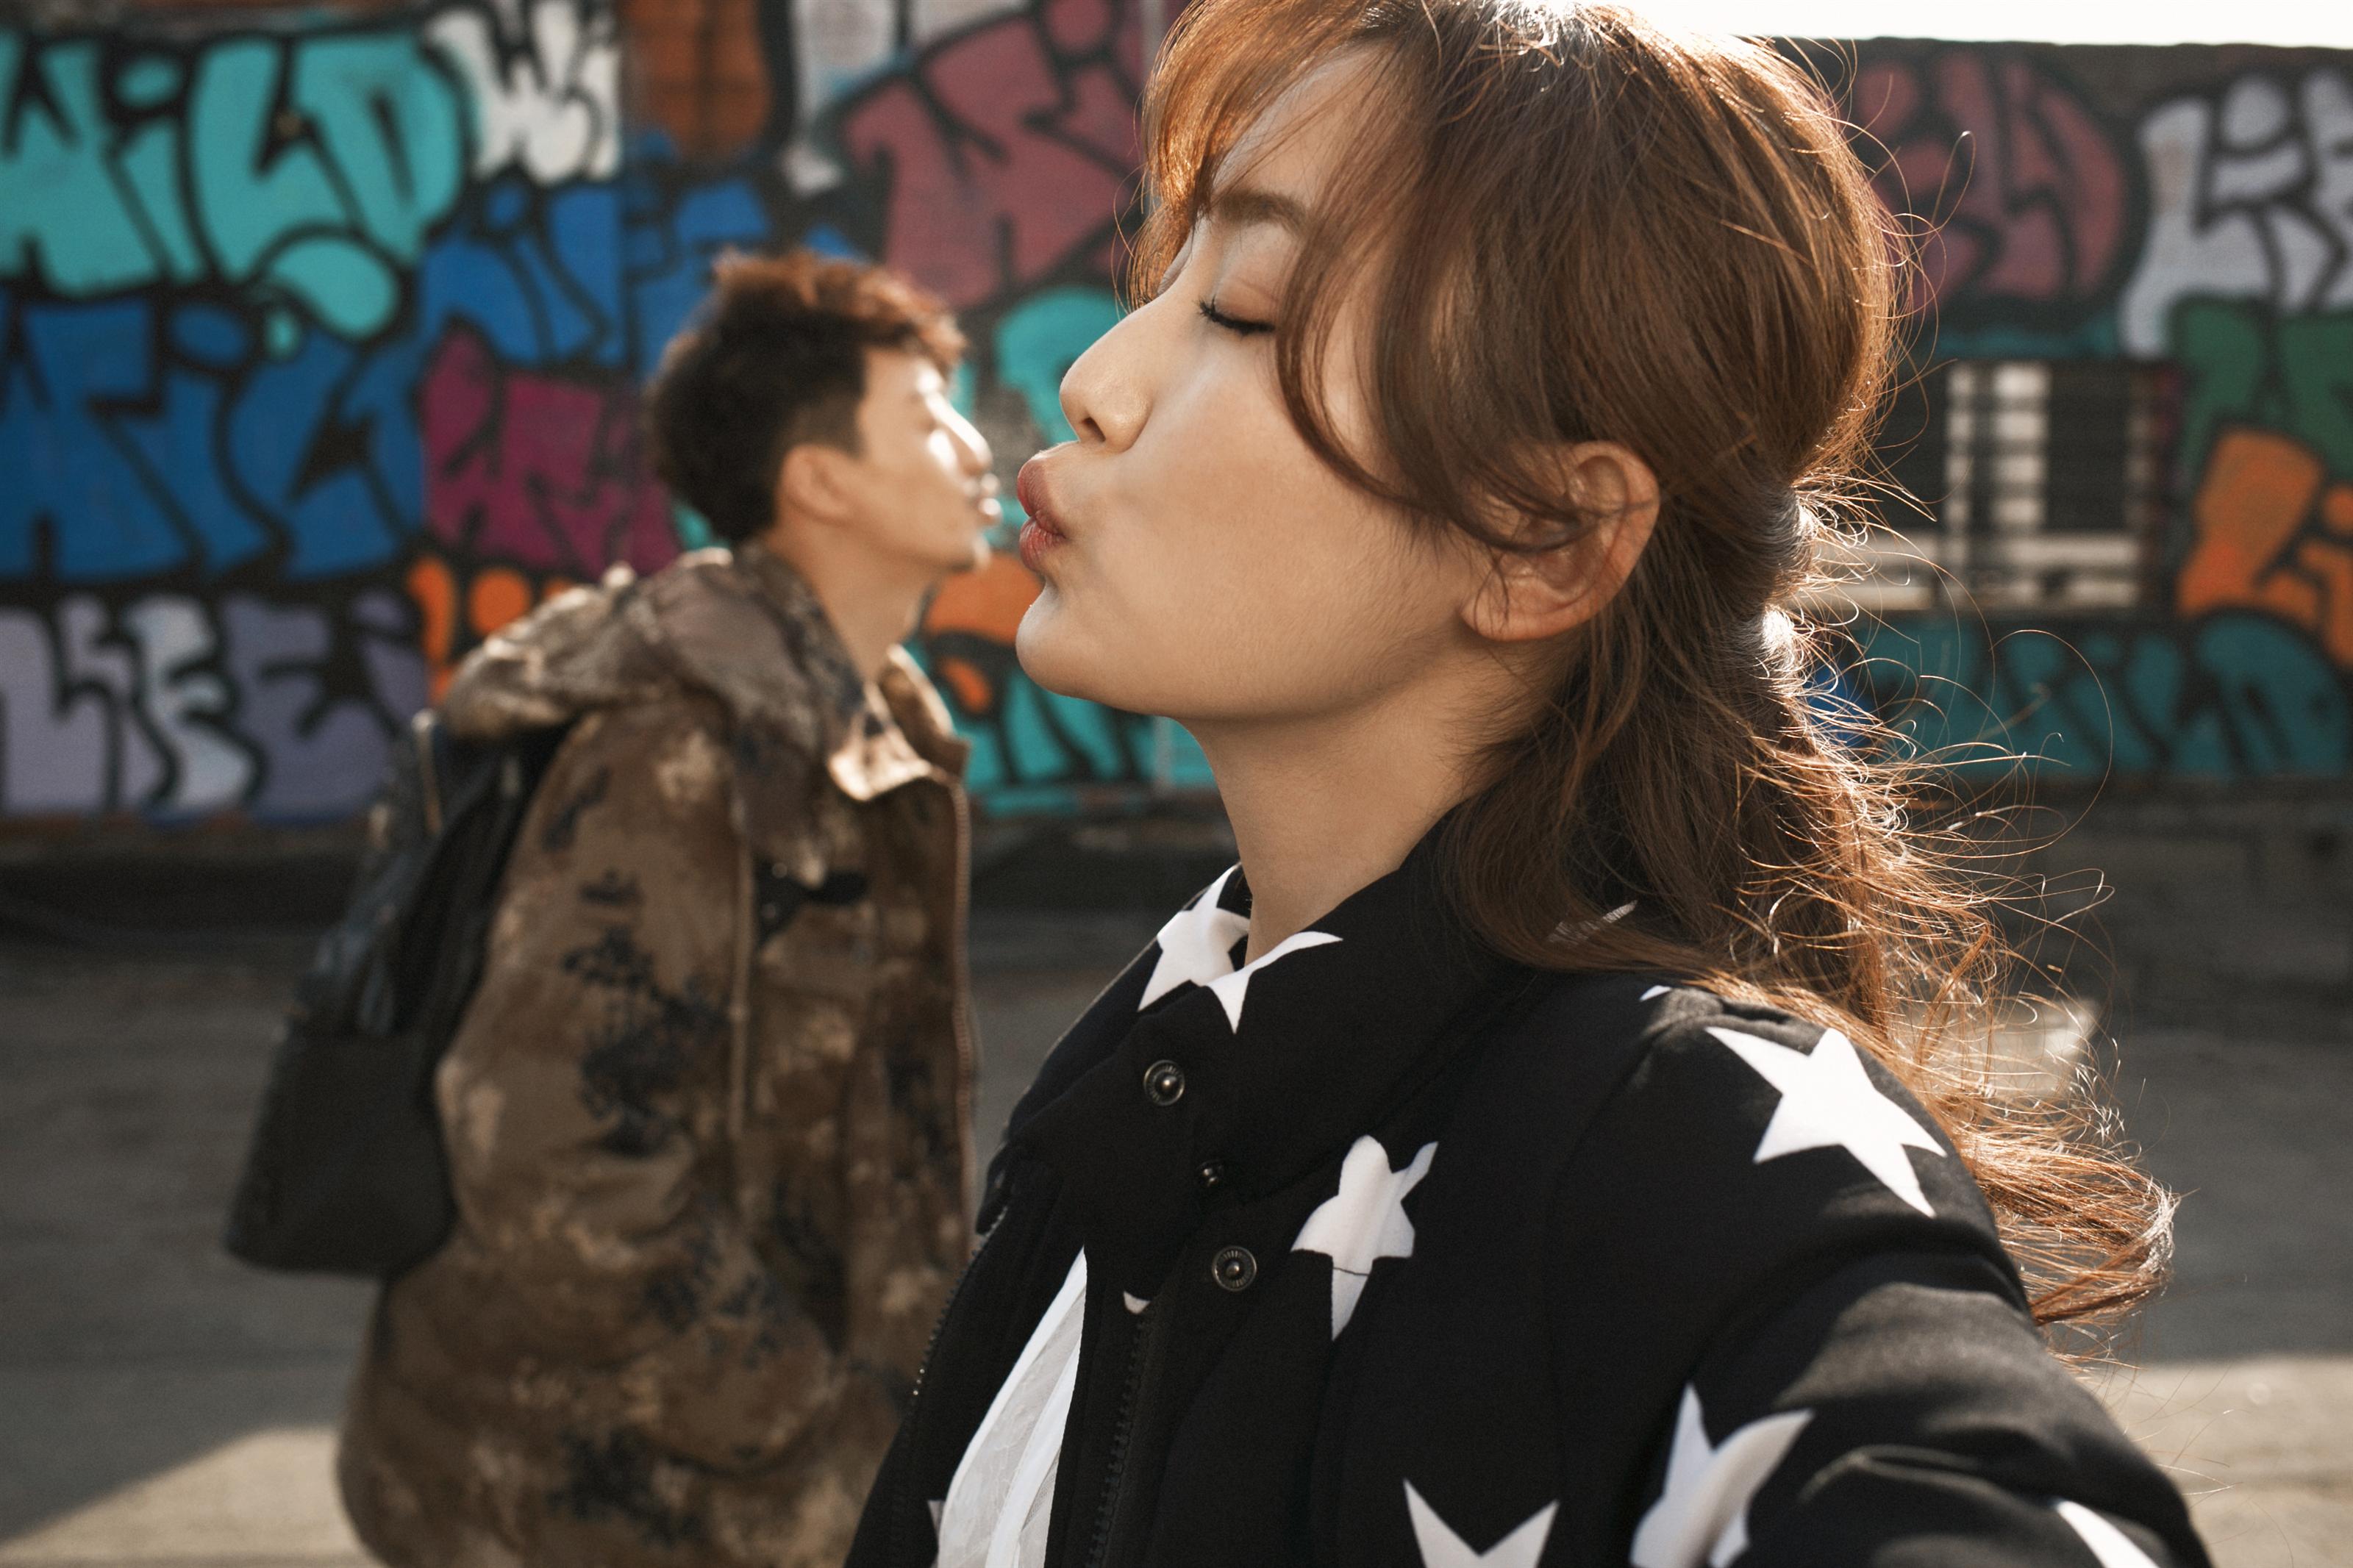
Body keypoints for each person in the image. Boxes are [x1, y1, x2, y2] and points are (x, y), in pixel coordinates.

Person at [846, 5, 2213, 1567]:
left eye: (1242, 306)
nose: (1095, 378)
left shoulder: (1690, 1151)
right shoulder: (1152, 1074)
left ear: (1544, 540)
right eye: (1162, 280)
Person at [338, 251, 999, 1567]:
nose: (976, 448)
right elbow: (544, 1134)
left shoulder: (877, 718)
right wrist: (801, 1422)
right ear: (820, 482)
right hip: (589, 1497)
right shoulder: (686, 742)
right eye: (928, 416)